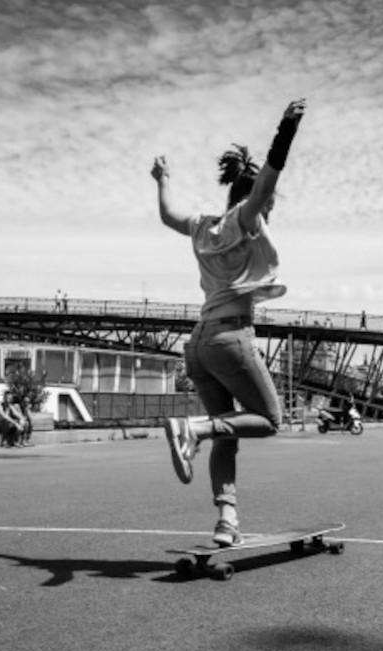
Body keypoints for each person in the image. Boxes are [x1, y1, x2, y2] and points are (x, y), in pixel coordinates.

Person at [151, 98, 307, 547]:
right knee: (270, 419)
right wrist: (286, 129)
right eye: (268, 203)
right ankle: (192, 430)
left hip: (198, 345)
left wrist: (163, 178)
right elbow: (271, 175)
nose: (270, 210)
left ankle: (227, 522)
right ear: (256, 199)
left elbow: (166, 214)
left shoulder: (202, 225)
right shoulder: (246, 217)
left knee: (227, 432)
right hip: (229, 339)